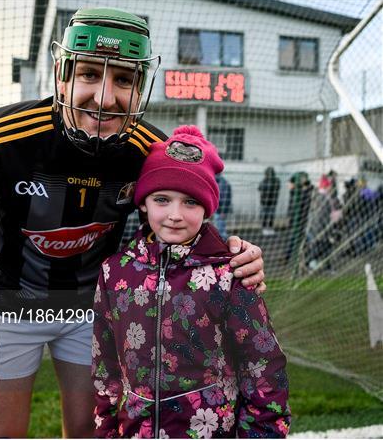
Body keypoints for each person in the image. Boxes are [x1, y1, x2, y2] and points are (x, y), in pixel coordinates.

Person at [0, 8, 267, 438]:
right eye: (88, 75)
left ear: (140, 88)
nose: (104, 98)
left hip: (91, 306)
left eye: (123, 79)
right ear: (62, 76)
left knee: (88, 431)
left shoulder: (153, 151)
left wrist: (232, 255)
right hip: (9, 301)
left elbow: (183, 224)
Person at [92, 126, 290, 438]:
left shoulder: (230, 274)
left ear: (208, 208)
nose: (174, 214)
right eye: (162, 199)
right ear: (143, 202)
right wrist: (106, 431)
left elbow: (263, 367)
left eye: (190, 202)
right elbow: (105, 366)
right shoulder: (113, 273)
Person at [258, 166, 280, 236]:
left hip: (266, 202)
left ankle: (266, 229)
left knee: (267, 215)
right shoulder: (276, 181)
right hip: (271, 202)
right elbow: (259, 188)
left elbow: (259, 188)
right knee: (270, 216)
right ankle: (268, 229)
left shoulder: (265, 181)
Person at [213, 173, 231, 240]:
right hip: (217, 209)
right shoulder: (217, 183)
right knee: (218, 226)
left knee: (221, 228)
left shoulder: (225, 184)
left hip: (221, 210)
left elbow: (227, 200)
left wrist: (224, 212)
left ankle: (223, 241)